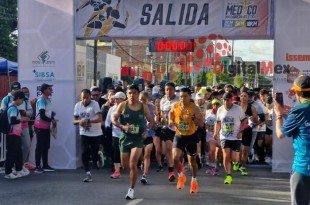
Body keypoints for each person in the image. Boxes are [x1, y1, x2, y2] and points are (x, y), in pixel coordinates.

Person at [275, 75, 310, 205]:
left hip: (303, 168)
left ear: (298, 92)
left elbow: (280, 134)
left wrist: (279, 115)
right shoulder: (297, 111)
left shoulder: (298, 111)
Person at [112, 84, 152, 200]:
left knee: (132, 163)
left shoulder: (143, 106)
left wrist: (147, 131)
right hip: (125, 137)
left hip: (138, 138)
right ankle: (134, 171)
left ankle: (131, 189)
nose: (132, 95)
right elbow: (114, 119)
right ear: (126, 94)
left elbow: (150, 121)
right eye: (129, 93)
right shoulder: (122, 105)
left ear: (138, 94)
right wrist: (122, 126)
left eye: (134, 93)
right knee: (125, 166)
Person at [169, 87, 204, 193]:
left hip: (191, 137)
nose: (183, 99)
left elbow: (201, 124)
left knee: (192, 161)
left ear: (190, 96)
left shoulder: (195, 108)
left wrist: (194, 119)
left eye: (185, 96)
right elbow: (171, 115)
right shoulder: (175, 106)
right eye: (181, 96)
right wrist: (171, 121)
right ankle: (181, 176)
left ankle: (194, 181)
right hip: (179, 135)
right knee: (175, 158)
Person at [213, 92, 246, 184]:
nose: (225, 102)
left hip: (236, 136)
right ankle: (228, 176)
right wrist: (216, 132)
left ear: (231, 100)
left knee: (234, 158)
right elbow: (218, 122)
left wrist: (241, 131)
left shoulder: (238, 109)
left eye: (227, 100)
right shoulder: (220, 109)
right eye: (224, 100)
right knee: (226, 156)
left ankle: (236, 163)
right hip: (224, 136)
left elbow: (244, 120)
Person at [73, 89, 103, 182]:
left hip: (96, 133)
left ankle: (98, 155)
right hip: (84, 133)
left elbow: (99, 118)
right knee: (84, 153)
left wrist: (88, 121)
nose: (85, 100)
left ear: (90, 97)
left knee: (93, 154)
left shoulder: (95, 104)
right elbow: (74, 121)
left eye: (87, 97)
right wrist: (80, 121)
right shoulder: (78, 105)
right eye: (83, 98)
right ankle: (88, 174)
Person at [4, 91, 30, 179]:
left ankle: (19, 169)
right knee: (11, 153)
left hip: (16, 134)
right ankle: (8, 172)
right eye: (22, 100)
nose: (22, 102)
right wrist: (22, 119)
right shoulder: (13, 108)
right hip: (12, 134)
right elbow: (13, 121)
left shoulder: (14, 108)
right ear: (18, 98)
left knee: (18, 152)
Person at [33, 83, 57, 173]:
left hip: (46, 127)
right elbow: (42, 115)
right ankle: (37, 166)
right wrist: (52, 120)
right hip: (39, 126)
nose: (51, 90)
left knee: (46, 146)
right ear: (44, 90)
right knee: (39, 146)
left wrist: (52, 119)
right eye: (49, 89)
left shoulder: (47, 100)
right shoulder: (41, 100)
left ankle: (45, 165)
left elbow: (48, 113)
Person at [160, 82, 180, 182]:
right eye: (166, 89)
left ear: (174, 90)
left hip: (178, 128)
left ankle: (180, 170)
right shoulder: (163, 100)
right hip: (167, 128)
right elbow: (162, 114)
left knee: (177, 153)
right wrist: (161, 119)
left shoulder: (179, 99)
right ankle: (171, 172)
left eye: (170, 89)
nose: (168, 91)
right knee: (168, 148)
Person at [105, 91, 126, 179]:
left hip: (127, 134)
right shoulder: (112, 109)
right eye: (115, 98)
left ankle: (129, 167)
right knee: (116, 152)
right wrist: (107, 127)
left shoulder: (128, 108)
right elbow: (107, 121)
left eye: (117, 99)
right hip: (115, 134)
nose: (115, 100)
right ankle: (117, 171)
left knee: (125, 152)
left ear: (123, 99)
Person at [139, 91, 155, 184]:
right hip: (137, 135)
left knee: (147, 153)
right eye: (140, 99)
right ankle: (142, 162)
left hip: (148, 134)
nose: (142, 101)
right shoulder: (135, 107)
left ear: (148, 100)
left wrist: (147, 130)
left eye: (144, 100)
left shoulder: (151, 108)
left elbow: (152, 121)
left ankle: (145, 175)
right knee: (139, 155)